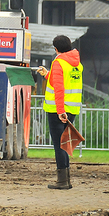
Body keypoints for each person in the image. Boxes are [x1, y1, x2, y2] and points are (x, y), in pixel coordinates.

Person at [37, 35, 83, 190]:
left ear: (56, 48)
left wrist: (60, 111)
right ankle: (66, 180)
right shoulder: (76, 63)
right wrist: (47, 74)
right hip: (72, 109)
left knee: (59, 145)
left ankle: (62, 181)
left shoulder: (58, 62)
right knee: (64, 143)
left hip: (57, 110)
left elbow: (59, 89)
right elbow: (62, 82)